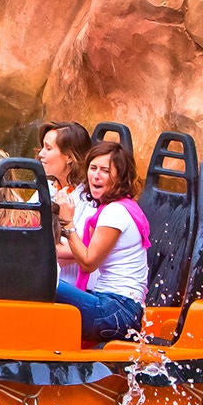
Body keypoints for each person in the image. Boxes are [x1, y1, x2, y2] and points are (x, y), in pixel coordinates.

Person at [53, 139, 150, 343]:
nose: (96, 175)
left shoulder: (116, 212)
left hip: (117, 311)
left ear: (120, 177)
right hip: (116, 308)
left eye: (105, 171)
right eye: (93, 168)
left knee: (42, 283)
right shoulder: (114, 208)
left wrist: (68, 222)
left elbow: (88, 263)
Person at [37, 121, 94, 285]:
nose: (41, 154)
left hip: (72, 285)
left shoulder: (89, 198)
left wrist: (30, 246)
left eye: (48, 148)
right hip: (44, 278)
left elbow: (79, 250)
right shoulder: (47, 187)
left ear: (69, 157)